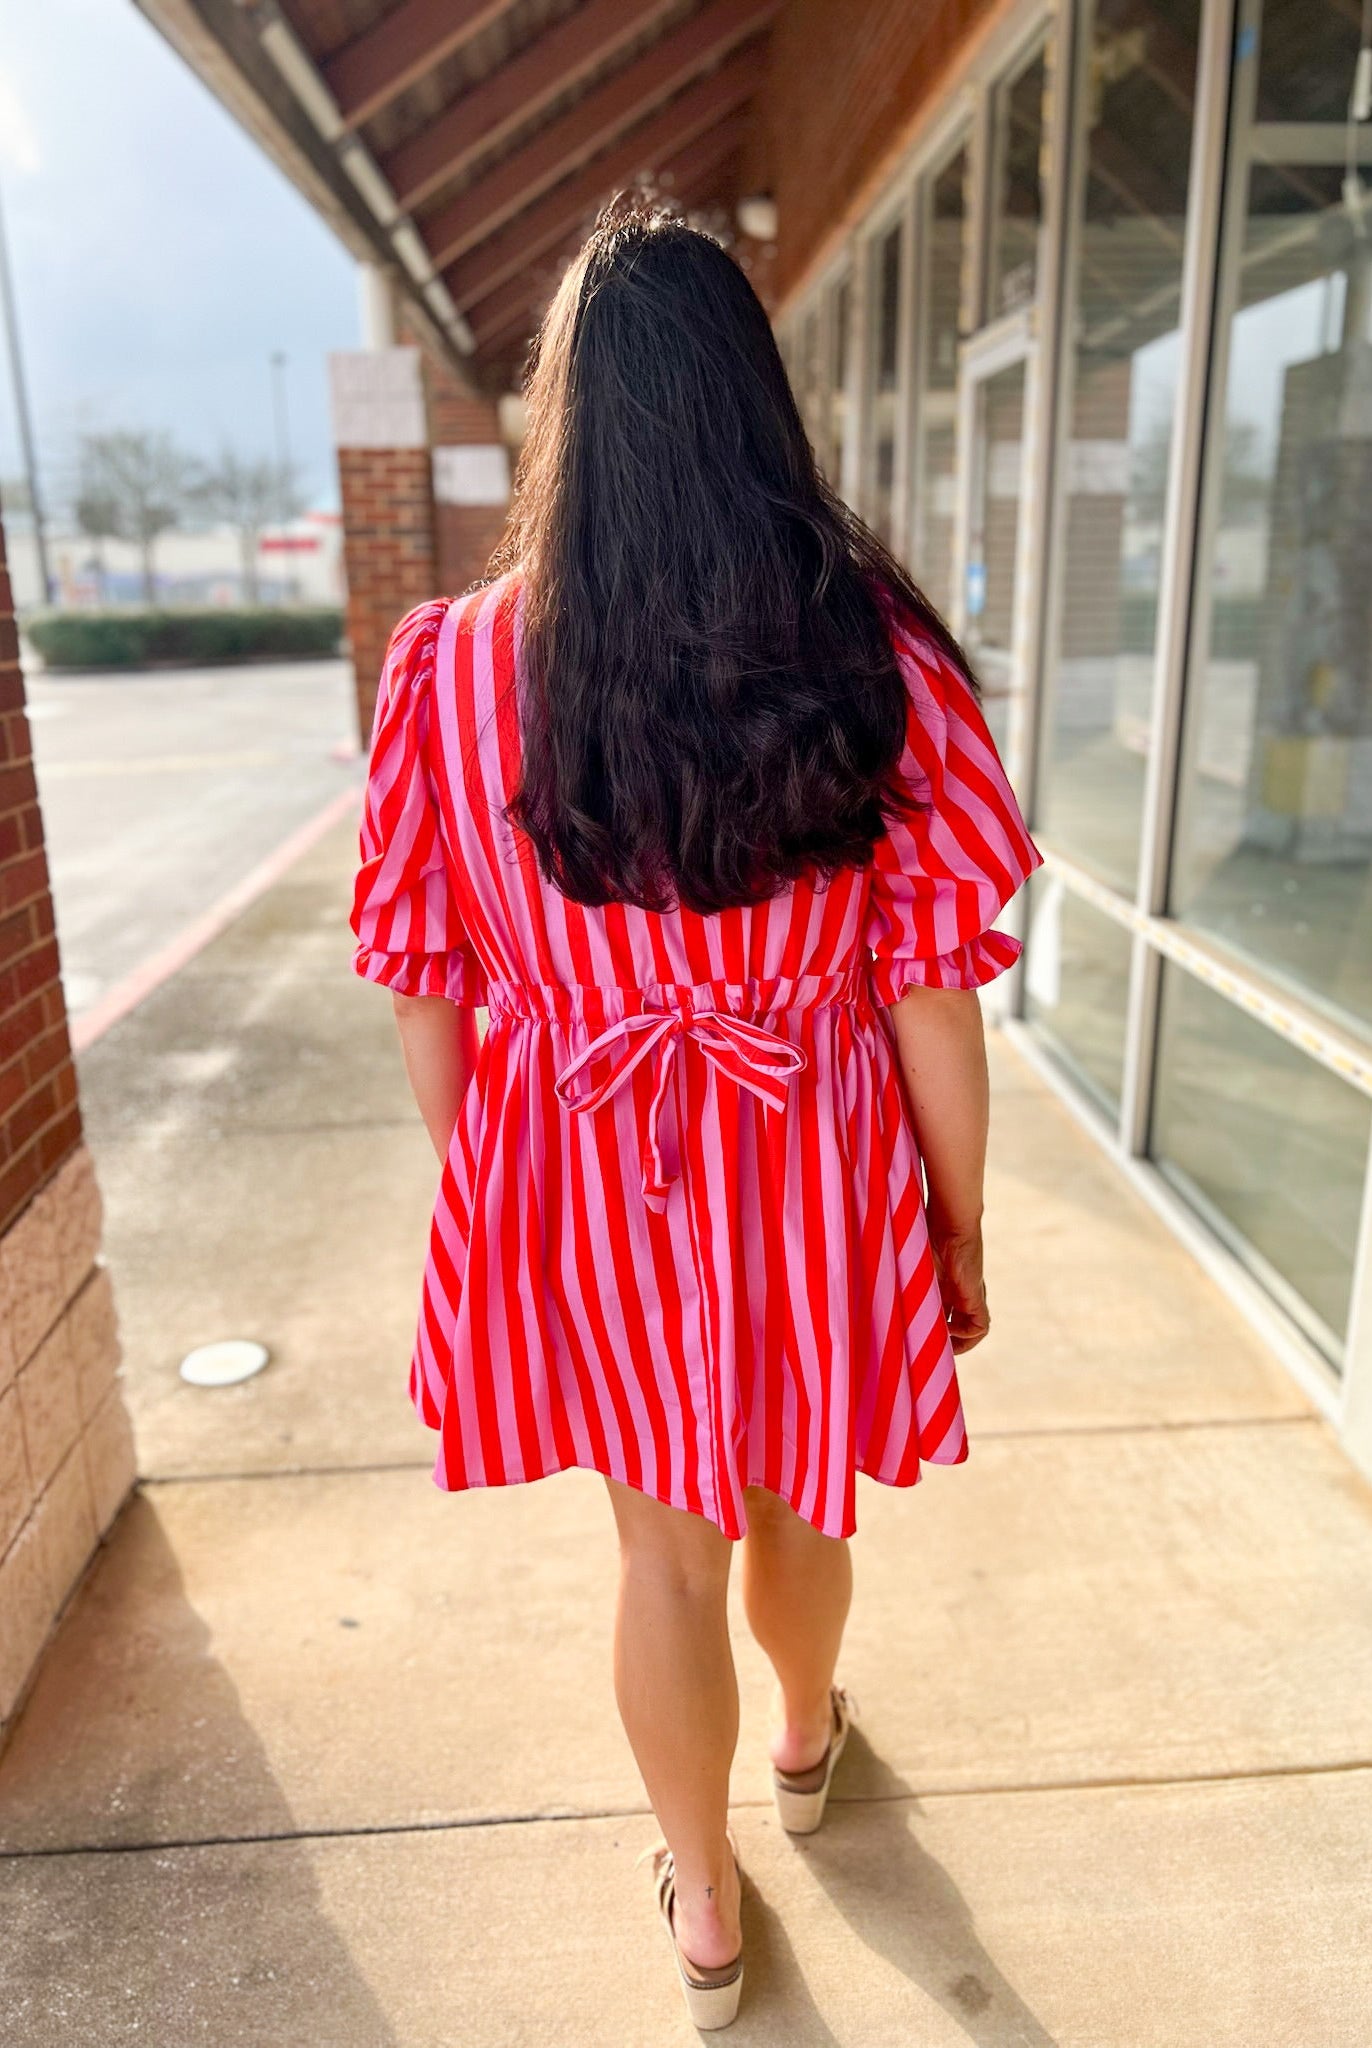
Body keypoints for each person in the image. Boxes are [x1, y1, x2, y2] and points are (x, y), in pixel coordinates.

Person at [349, 194, 1041, 2030]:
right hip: (812, 1146)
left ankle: (709, 1909)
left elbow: (425, 982)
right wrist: (957, 1220)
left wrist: (496, 1192)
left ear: (568, 415)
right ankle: (806, 1741)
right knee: (799, 1493)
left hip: (581, 1160)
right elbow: (934, 988)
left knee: (663, 1549)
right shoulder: (870, 646)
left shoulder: (451, 667)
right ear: (754, 399)